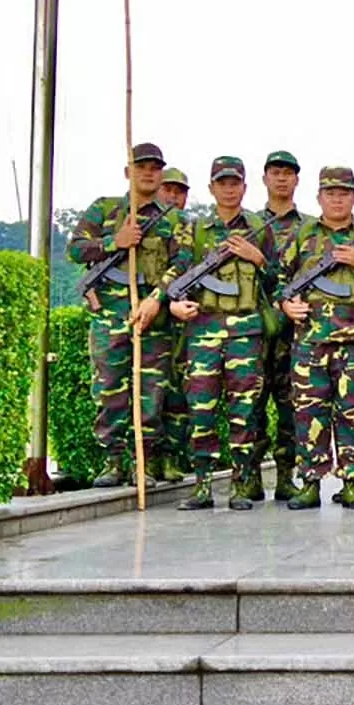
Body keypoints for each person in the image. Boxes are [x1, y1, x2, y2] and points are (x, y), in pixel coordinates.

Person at [66, 142, 191, 486]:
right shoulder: (105, 209)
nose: (149, 173)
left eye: (154, 168)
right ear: (128, 172)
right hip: (110, 314)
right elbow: (75, 248)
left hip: (152, 313)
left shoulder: (173, 219)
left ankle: (145, 462)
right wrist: (113, 243)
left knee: (151, 390)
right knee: (109, 388)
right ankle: (113, 460)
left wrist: (156, 297)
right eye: (141, 167)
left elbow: (183, 263)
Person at [167, 156, 277, 511]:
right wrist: (172, 304)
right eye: (222, 183)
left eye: (235, 183)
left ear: (245, 187)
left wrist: (258, 258)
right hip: (203, 331)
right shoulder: (195, 230)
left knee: (244, 411)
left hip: (246, 332)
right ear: (212, 188)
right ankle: (202, 486)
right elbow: (176, 275)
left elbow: (284, 281)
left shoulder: (262, 228)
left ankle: (242, 484)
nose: (229, 189)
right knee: (201, 409)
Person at [280, 166, 354, 509]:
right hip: (310, 341)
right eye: (330, 193)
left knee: (353, 413)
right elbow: (277, 279)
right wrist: (286, 303)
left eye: (344, 192)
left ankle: (353, 482)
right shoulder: (302, 234)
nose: (337, 199)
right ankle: (310, 481)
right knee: (308, 412)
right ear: (318, 197)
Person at [248, 149, 308, 501]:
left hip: (296, 332)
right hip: (253, 330)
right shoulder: (250, 225)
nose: (282, 178)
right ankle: (250, 475)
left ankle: (287, 475)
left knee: (292, 406)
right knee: (251, 404)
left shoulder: (310, 227)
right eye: (275, 172)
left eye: (288, 172)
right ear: (265, 178)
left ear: (297, 179)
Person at [156, 166, 193, 479]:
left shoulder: (191, 231)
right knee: (144, 394)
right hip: (146, 319)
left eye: (179, 191)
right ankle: (139, 461)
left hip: (181, 324)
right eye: (168, 189)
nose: (172, 196)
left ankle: (172, 457)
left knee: (178, 395)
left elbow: (187, 269)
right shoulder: (136, 222)